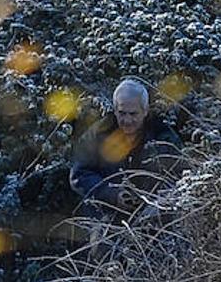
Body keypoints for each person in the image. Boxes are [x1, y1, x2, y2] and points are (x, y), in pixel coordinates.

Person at [70, 78, 182, 221]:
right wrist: (111, 194)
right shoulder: (98, 134)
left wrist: (150, 201)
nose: (127, 120)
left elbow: (178, 178)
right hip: (105, 218)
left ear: (145, 111)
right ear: (115, 110)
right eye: (122, 113)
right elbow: (80, 174)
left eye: (133, 114)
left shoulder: (163, 136)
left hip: (153, 219)